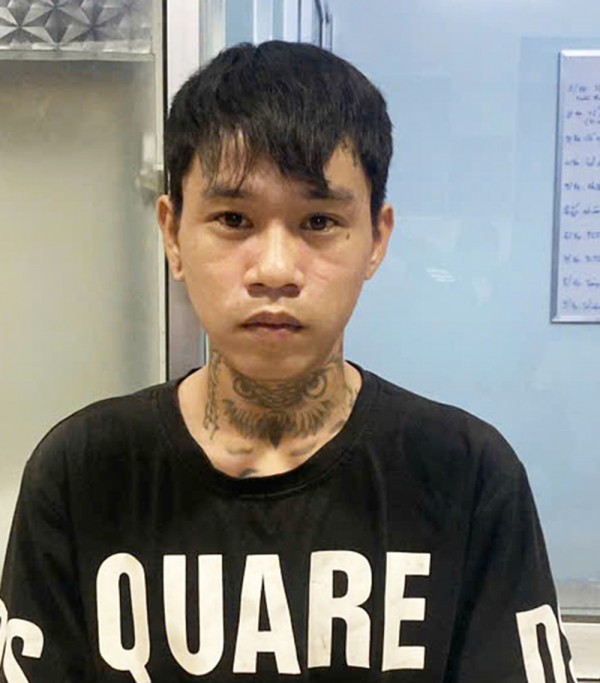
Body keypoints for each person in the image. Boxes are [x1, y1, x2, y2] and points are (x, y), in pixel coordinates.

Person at [0, 41, 577, 683]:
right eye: (233, 218)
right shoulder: (84, 474)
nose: (275, 270)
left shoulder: (466, 476)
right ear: (172, 233)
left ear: (377, 239)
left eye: (319, 221)